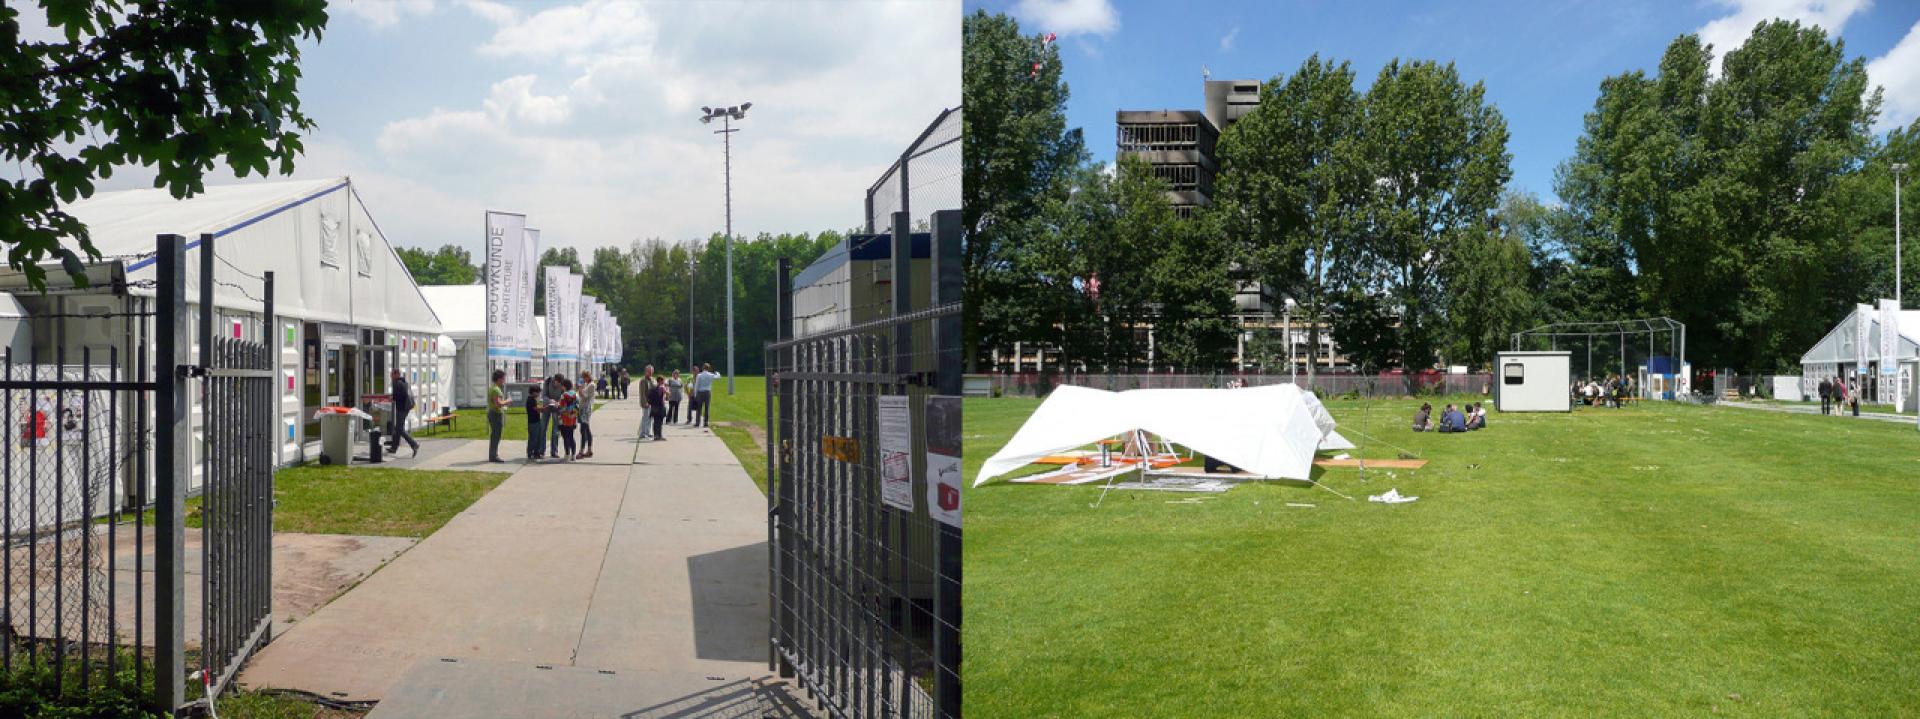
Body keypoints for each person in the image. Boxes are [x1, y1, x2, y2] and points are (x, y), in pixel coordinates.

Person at [386, 368, 419, 457]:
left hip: (402, 408)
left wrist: (393, 398)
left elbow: (402, 395)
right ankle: (394, 447)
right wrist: (394, 397)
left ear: (397, 374)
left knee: (399, 429)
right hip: (404, 407)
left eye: (392, 374)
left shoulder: (398, 383)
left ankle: (414, 444)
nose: (391, 376)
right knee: (398, 428)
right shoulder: (402, 382)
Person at [487, 369, 509, 463]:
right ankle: (493, 455)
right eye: (503, 378)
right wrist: (508, 401)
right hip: (495, 414)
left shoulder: (492, 388)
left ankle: (493, 454)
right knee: (496, 435)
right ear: (499, 379)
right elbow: (498, 404)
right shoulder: (496, 389)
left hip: (492, 413)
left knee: (495, 435)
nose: (504, 380)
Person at [556, 379, 580, 460]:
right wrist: (573, 415)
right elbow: (577, 407)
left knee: (565, 437)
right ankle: (573, 455)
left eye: (562, 385)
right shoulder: (576, 395)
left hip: (564, 419)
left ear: (564, 386)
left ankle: (567, 455)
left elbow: (562, 407)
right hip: (572, 419)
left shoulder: (564, 395)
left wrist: (557, 405)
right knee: (571, 436)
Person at [543, 373, 565, 458]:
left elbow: (563, 396)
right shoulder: (548, 382)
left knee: (556, 431)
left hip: (557, 408)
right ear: (554, 380)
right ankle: (542, 451)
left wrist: (559, 402)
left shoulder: (562, 384)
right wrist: (550, 400)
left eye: (560, 384)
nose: (558, 385)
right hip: (547, 406)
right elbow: (544, 395)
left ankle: (554, 451)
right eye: (557, 383)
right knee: (543, 428)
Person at [577, 370, 597, 459]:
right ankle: (589, 450)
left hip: (586, 409)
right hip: (583, 408)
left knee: (584, 429)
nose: (583, 379)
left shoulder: (591, 385)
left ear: (588, 376)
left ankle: (581, 451)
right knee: (586, 429)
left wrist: (580, 389)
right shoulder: (587, 384)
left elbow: (584, 396)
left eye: (584, 377)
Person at [693, 363, 720, 428]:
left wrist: (695, 393)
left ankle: (697, 422)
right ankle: (705, 423)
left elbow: (697, 385)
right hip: (707, 392)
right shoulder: (710, 375)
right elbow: (718, 377)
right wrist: (717, 372)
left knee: (699, 408)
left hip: (700, 392)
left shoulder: (699, 375)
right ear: (709, 368)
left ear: (703, 368)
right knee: (707, 408)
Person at [524, 385, 546, 460]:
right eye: (538, 392)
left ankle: (536, 453)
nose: (539, 394)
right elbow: (536, 408)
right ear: (533, 392)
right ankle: (530, 453)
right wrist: (543, 408)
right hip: (533, 423)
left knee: (538, 438)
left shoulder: (533, 399)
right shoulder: (531, 400)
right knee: (534, 439)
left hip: (536, 421)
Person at [637, 365, 657, 434]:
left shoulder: (653, 379)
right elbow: (642, 393)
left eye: (651, 371)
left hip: (652, 402)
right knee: (645, 418)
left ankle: (648, 432)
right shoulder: (643, 380)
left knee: (650, 418)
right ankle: (643, 433)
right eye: (649, 371)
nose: (650, 373)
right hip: (646, 402)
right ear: (645, 371)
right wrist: (645, 403)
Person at [648, 374, 668, 441]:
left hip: (653, 407)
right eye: (663, 381)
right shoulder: (661, 388)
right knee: (659, 423)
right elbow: (668, 394)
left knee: (655, 422)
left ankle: (656, 435)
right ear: (660, 381)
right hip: (660, 407)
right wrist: (666, 388)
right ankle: (659, 436)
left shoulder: (653, 388)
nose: (664, 382)